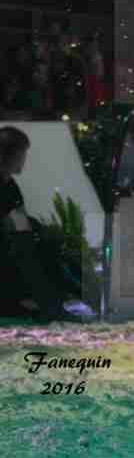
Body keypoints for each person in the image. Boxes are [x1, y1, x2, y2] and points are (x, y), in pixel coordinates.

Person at [0, 126, 70, 321]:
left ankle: (50, 301)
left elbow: (20, 216)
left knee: (43, 244)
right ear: (10, 155)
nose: (24, 160)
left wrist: (39, 229)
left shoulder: (11, 185)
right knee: (24, 248)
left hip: (13, 239)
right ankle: (49, 305)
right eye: (22, 154)